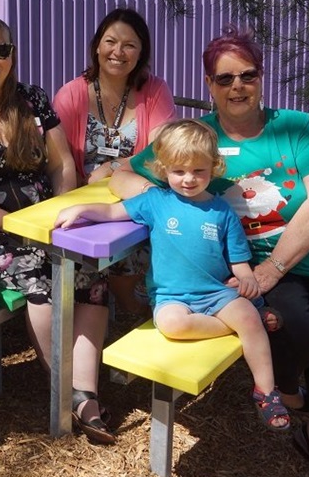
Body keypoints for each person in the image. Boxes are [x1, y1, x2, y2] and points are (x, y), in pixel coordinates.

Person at [110, 30, 309, 477]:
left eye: (248, 74)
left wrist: (274, 269)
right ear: (210, 84)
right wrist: (157, 199)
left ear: (261, 78)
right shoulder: (197, 141)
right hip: (247, 269)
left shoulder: (293, 127)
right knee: (294, 328)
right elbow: (123, 172)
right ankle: (288, 393)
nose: (237, 86)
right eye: (224, 78)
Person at [0, 17, 115, 444]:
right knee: (40, 274)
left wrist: (59, 210)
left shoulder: (31, 99)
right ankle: (63, 389)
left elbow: (60, 163)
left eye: (2, 50)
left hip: (44, 220)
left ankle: (84, 394)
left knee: (92, 270)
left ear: (13, 56)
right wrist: (16, 226)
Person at [57, 119, 290, 432]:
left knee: (245, 313)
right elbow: (114, 212)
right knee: (172, 325)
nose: (189, 179)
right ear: (164, 169)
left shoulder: (222, 211)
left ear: (214, 167)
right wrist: (83, 210)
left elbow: (237, 258)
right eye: (179, 171)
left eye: (199, 171)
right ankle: (243, 324)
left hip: (215, 292)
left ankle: (266, 391)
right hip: (172, 297)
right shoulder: (156, 201)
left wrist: (246, 275)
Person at [53, 8, 176, 313]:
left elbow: (163, 151)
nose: (118, 52)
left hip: (136, 198)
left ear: (141, 53)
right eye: (110, 41)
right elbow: (60, 162)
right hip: (85, 200)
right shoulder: (71, 95)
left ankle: (135, 307)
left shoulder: (155, 90)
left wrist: (113, 167)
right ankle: (112, 305)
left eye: (130, 45)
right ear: (97, 46)